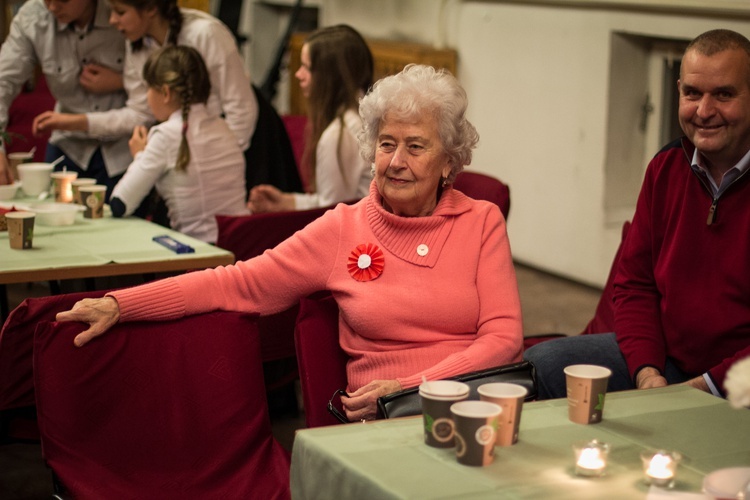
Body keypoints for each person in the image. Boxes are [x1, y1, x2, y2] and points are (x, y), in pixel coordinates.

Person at [56, 64, 524, 421]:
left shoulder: (479, 221)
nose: (396, 161)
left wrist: (413, 384)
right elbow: (237, 283)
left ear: (449, 162)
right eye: (386, 144)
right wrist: (122, 302)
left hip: (477, 403)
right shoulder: (342, 228)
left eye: (416, 146)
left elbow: (504, 340)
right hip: (386, 419)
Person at [524, 28, 750, 400]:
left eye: (724, 95)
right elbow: (634, 284)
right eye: (692, 93)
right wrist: (648, 374)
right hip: (670, 363)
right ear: (678, 90)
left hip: (735, 380)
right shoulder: (665, 168)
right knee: (543, 366)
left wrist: (698, 391)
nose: (704, 111)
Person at [32, 0, 257, 175]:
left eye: (120, 12)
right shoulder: (137, 43)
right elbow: (140, 113)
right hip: (187, 153)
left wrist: (221, 162)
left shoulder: (205, 34)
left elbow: (241, 110)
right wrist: (75, 122)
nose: (111, 20)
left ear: (150, 8)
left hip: (233, 150)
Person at [109, 46, 248, 244]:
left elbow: (120, 203)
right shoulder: (224, 126)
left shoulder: (165, 135)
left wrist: (140, 155)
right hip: (241, 246)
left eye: (148, 87)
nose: (147, 96)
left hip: (198, 253)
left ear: (165, 92)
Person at [0, 0, 128, 192]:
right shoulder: (33, 18)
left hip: (123, 149)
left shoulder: (120, 11)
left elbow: (160, 79)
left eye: (63, 0)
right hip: (68, 145)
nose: (52, 7)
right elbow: (3, 81)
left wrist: (123, 81)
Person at [248, 25, 373, 213]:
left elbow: (332, 212)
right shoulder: (361, 115)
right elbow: (334, 201)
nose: (298, 75)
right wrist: (287, 201)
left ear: (329, 76)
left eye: (306, 67)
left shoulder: (341, 133)